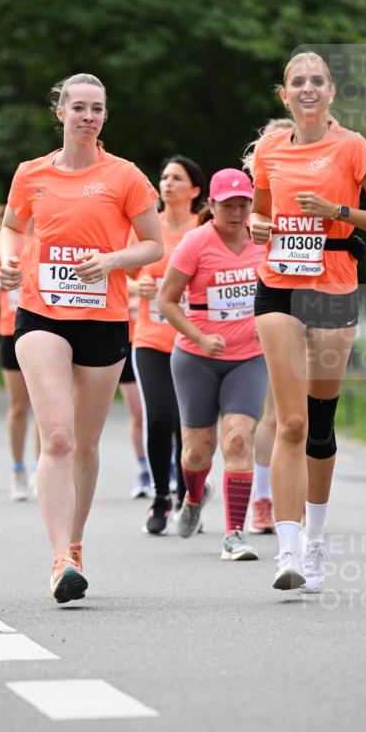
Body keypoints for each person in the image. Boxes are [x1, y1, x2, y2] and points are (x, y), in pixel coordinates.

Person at [0, 72, 163, 604]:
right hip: (41, 312)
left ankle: (75, 542)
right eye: (80, 108)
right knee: (60, 437)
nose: (88, 117)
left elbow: (154, 245)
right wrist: (7, 260)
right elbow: (13, 227)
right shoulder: (31, 174)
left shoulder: (126, 176)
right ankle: (58, 559)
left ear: (105, 117)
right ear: (60, 111)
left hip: (103, 316)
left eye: (97, 109)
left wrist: (111, 260)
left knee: (87, 443)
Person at [249, 51, 366, 592]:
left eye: (318, 81)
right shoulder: (268, 151)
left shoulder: (354, 147)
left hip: (334, 288)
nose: (308, 88)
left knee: (318, 425)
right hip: (278, 287)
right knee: (288, 422)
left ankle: (316, 542)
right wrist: (258, 228)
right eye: (298, 82)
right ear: (284, 95)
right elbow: (261, 214)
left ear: (331, 93)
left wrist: (337, 212)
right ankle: (286, 551)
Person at [158, 169, 267, 561]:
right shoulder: (195, 243)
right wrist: (202, 337)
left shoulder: (263, 239)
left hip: (249, 359)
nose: (237, 212)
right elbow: (166, 301)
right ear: (212, 205)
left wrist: (270, 325)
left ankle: (234, 534)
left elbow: (286, 286)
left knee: (238, 439)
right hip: (196, 359)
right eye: (228, 205)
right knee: (196, 454)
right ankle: (192, 495)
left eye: (243, 204)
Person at [129, 154, 205, 534]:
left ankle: (186, 497)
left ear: (194, 190)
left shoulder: (203, 228)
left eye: (177, 177)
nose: (167, 183)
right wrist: (134, 285)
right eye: (164, 177)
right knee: (159, 417)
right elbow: (114, 272)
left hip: (192, 340)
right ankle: (160, 496)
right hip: (150, 339)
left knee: (187, 425)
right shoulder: (148, 227)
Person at [242, 118, 295, 535]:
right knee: (275, 412)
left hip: (321, 298)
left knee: (308, 412)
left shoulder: (324, 175)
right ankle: (262, 499)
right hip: (272, 297)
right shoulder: (260, 191)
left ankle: (300, 501)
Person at [0, 203, 40, 500]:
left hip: (44, 328)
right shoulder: (0, 239)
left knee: (45, 406)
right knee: (19, 406)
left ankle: (43, 469)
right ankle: (17, 470)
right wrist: (6, 282)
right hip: (10, 330)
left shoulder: (49, 236)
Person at [119, 307, 152, 500]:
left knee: (165, 413)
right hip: (127, 339)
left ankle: (171, 467)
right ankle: (144, 471)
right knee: (138, 415)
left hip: (159, 340)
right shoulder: (124, 275)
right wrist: (136, 288)